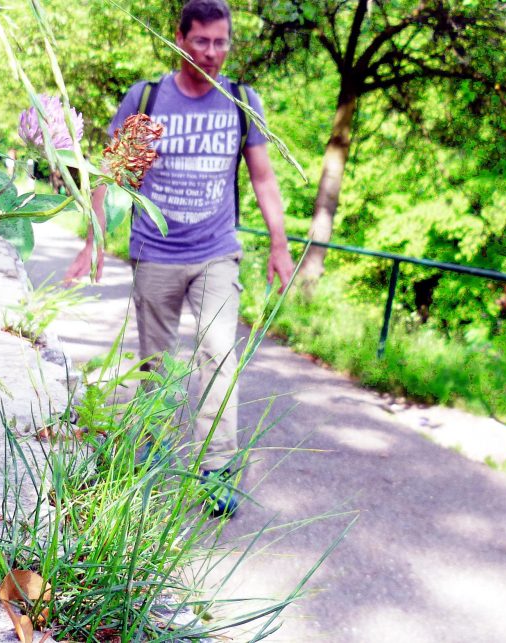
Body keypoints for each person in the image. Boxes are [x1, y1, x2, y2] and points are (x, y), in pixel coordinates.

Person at [65, 0, 294, 516]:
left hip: (217, 253)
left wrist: (280, 244)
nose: (212, 53)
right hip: (156, 252)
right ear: (180, 38)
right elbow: (116, 175)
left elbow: (262, 176)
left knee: (220, 357)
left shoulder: (240, 100)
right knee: (158, 365)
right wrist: (93, 240)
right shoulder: (148, 99)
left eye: (221, 42)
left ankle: (215, 470)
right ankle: (152, 454)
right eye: (202, 41)